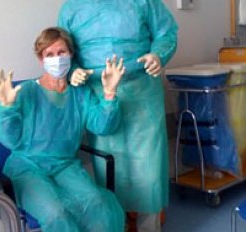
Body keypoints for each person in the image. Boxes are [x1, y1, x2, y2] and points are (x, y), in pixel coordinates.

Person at [0, 27, 126, 232]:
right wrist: (7, 109)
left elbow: (103, 127)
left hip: (65, 166)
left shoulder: (80, 94)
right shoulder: (26, 92)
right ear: (41, 59)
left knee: (98, 203)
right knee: (56, 213)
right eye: (49, 54)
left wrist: (109, 94)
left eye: (61, 52)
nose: (57, 58)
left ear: (71, 54)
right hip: (27, 168)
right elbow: (10, 141)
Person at [58, 1, 178, 232]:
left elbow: (166, 32)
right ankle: (115, 224)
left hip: (142, 94)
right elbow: (64, 49)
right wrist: (73, 71)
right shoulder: (72, 7)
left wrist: (157, 55)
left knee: (149, 168)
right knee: (109, 167)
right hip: (99, 94)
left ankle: (149, 227)